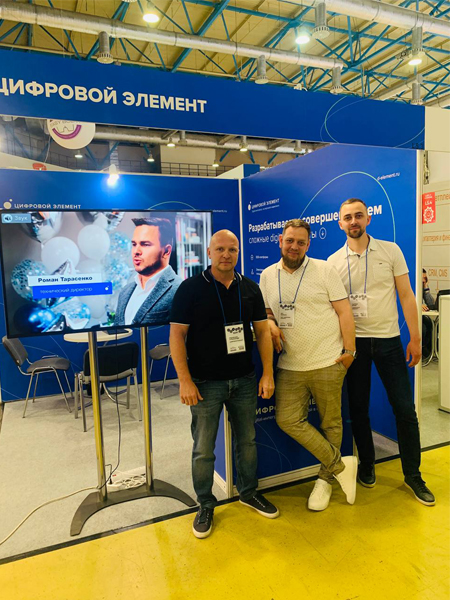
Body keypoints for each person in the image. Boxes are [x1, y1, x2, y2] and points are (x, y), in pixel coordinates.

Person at [169, 229, 279, 539]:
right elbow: (177, 335)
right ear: (209, 252)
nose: (226, 255)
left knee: (247, 441)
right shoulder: (190, 289)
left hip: (244, 380)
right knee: (203, 449)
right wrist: (184, 381)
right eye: (220, 249)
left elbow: (263, 332)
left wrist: (267, 374)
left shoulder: (250, 288)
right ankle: (205, 504)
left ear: (238, 252)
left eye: (232, 249)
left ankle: (248, 492)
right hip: (205, 383)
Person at [328, 198, 435, 506]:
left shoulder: (390, 251)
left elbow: (406, 294)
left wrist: (415, 338)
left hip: (389, 341)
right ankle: (368, 464)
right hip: (355, 345)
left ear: (368, 218)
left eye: (358, 215)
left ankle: (413, 475)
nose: (353, 221)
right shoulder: (333, 262)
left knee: (405, 410)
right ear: (340, 223)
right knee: (358, 409)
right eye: (348, 217)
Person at [259, 219, 358, 512]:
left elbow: (344, 311)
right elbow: (266, 310)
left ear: (308, 245)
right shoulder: (267, 275)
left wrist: (350, 351)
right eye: (290, 241)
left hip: (328, 360)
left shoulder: (324, 270)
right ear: (280, 241)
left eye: (301, 242)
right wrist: (269, 322)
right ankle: (341, 466)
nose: (294, 247)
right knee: (287, 419)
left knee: (331, 423)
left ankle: (325, 480)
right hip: (290, 364)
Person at [115, 217, 182, 326]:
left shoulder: (180, 290)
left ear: (166, 251)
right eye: (134, 244)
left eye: (145, 244)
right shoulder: (125, 291)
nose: (136, 251)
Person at [422, 269, 435, 358]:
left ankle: (429, 350)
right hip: (411, 317)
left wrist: (426, 287)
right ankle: (422, 349)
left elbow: (431, 304)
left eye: (425, 278)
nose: (423, 280)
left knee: (429, 323)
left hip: (421, 316)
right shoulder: (412, 287)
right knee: (422, 328)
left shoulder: (423, 287)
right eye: (422, 278)